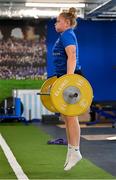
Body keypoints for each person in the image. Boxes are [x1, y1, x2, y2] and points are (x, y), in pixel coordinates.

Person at [52, 7, 82, 171]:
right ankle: (71, 150)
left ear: (67, 22)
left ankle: (76, 151)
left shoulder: (67, 34)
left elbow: (72, 55)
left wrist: (69, 79)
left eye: (58, 21)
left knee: (71, 116)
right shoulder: (63, 35)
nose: (56, 24)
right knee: (66, 116)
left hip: (70, 78)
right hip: (64, 78)